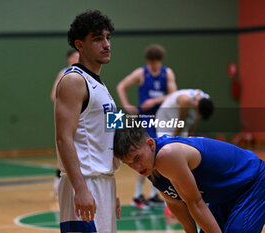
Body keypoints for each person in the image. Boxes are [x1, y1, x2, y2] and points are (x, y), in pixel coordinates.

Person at [114, 126, 265, 233]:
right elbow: (174, 202)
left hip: (254, 182)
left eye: (136, 158)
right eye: (129, 164)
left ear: (150, 144)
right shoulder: (148, 164)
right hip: (226, 193)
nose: (136, 167)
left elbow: (195, 203)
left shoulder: (167, 155)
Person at [54, 10, 120, 233]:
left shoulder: (101, 86)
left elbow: (105, 141)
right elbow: (64, 139)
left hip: (103, 183)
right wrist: (80, 189)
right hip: (84, 183)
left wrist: (113, 190)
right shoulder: (74, 80)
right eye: (98, 39)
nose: (106, 44)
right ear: (80, 45)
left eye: (108, 38)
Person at [117, 44, 177, 209]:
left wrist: (155, 101)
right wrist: (127, 105)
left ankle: (153, 194)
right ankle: (137, 195)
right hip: (146, 120)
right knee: (144, 156)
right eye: (151, 63)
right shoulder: (141, 72)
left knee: (158, 158)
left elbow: (174, 93)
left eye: (156, 63)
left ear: (160, 61)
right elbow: (121, 86)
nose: (153, 66)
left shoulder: (167, 73)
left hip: (162, 120)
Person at [51, 49, 79, 198]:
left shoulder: (85, 74)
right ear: (70, 59)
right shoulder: (64, 73)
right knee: (65, 154)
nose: (78, 58)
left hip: (81, 120)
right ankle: (57, 186)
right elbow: (53, 95)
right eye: (76, 56)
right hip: (68, 120)